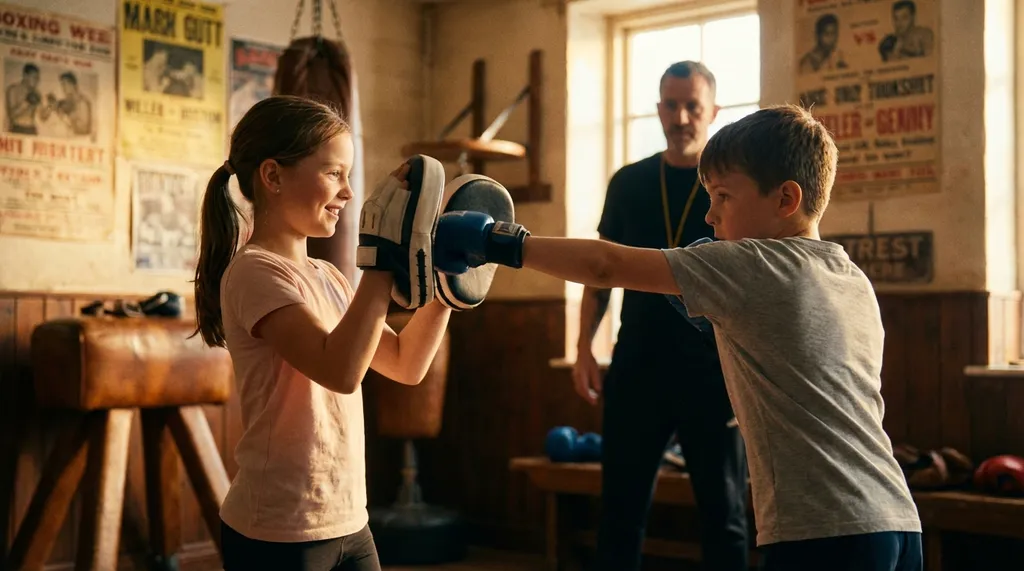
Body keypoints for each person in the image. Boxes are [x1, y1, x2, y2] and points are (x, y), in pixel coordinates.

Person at [434, 104, 924, 571]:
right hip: (895, 517)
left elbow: (605, 264)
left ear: (786, 199)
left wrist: (494, 241)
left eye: (724, 197)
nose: (711, 216)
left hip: (826, 531)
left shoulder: (752, 266)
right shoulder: (849, 277)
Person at [192, 95, 451, 571]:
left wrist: (447, 287)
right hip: (278, 530)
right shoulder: (254, 273)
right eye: (334, 173)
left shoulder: (328, 276)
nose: (348, 192)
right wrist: (379, 253)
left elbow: (407, 366)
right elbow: (340, 369)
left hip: (350, 520)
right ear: (272, 176)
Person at [572, 60, 749, 571]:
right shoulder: (628, 183)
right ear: (658, 110)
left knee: (726, 515)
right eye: (671, 104)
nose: (681, 116)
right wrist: (584, 348)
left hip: (713, 371)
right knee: (621, 513)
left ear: (713, 111)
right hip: (638, 367)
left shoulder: (731, 189)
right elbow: (598, 273)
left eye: (692, 105)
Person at [5, 63, 42, 135]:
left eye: (37, 78)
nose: (37, 81)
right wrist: (27, 101)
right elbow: (11, 115)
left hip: (31, 129)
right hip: (17, 127)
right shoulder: (13, 89)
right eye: (34, 77)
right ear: (25, 76)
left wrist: (51, 106)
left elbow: (42, 116)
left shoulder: (36, 93)